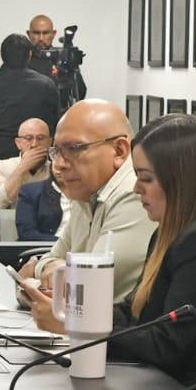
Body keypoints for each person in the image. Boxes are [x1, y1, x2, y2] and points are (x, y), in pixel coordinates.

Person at [28, 114, 196, 383]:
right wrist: (74, 313)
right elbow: (133, 311)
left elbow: (167, 346)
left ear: (182, 180)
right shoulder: (167, 233)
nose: (137, 188)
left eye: (146, 178)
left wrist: (77, 325)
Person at [25, 100, 154, 302]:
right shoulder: (87, 191)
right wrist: (48, 267)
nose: (58, 165)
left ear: (119, 151)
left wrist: (33, 280)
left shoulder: (135, 194)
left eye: (74, 148)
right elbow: (52, 260)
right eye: (56, 151)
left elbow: (85, 293)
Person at [0, 34, 59, 169]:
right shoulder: (46, 85)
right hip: (38, 162)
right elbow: (55, 121)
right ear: (29, 54)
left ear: (2, 56)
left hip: (0, 162)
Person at [0, 118, 54, 211]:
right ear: (18, 143)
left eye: (41, 138)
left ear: (49, 142)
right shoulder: (1, 167)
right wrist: (22, 168)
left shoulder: (57, 170)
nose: (34, 144)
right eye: (28, 138)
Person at [26, 14, 87, 102]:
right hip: (31, 113)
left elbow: (80, 94)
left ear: (53, 34)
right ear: (28, 34)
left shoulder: (63, 56)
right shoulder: (22, 59)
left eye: (46, 33)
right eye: (36, 33)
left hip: (61, 113)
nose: (41, 38)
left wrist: (71, 68)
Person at [15, 168, 66, 241]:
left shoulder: (85, 193)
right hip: (45, 248)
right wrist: (64, 242)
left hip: (83, 249)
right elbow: (27, 233)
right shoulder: (31, 191)